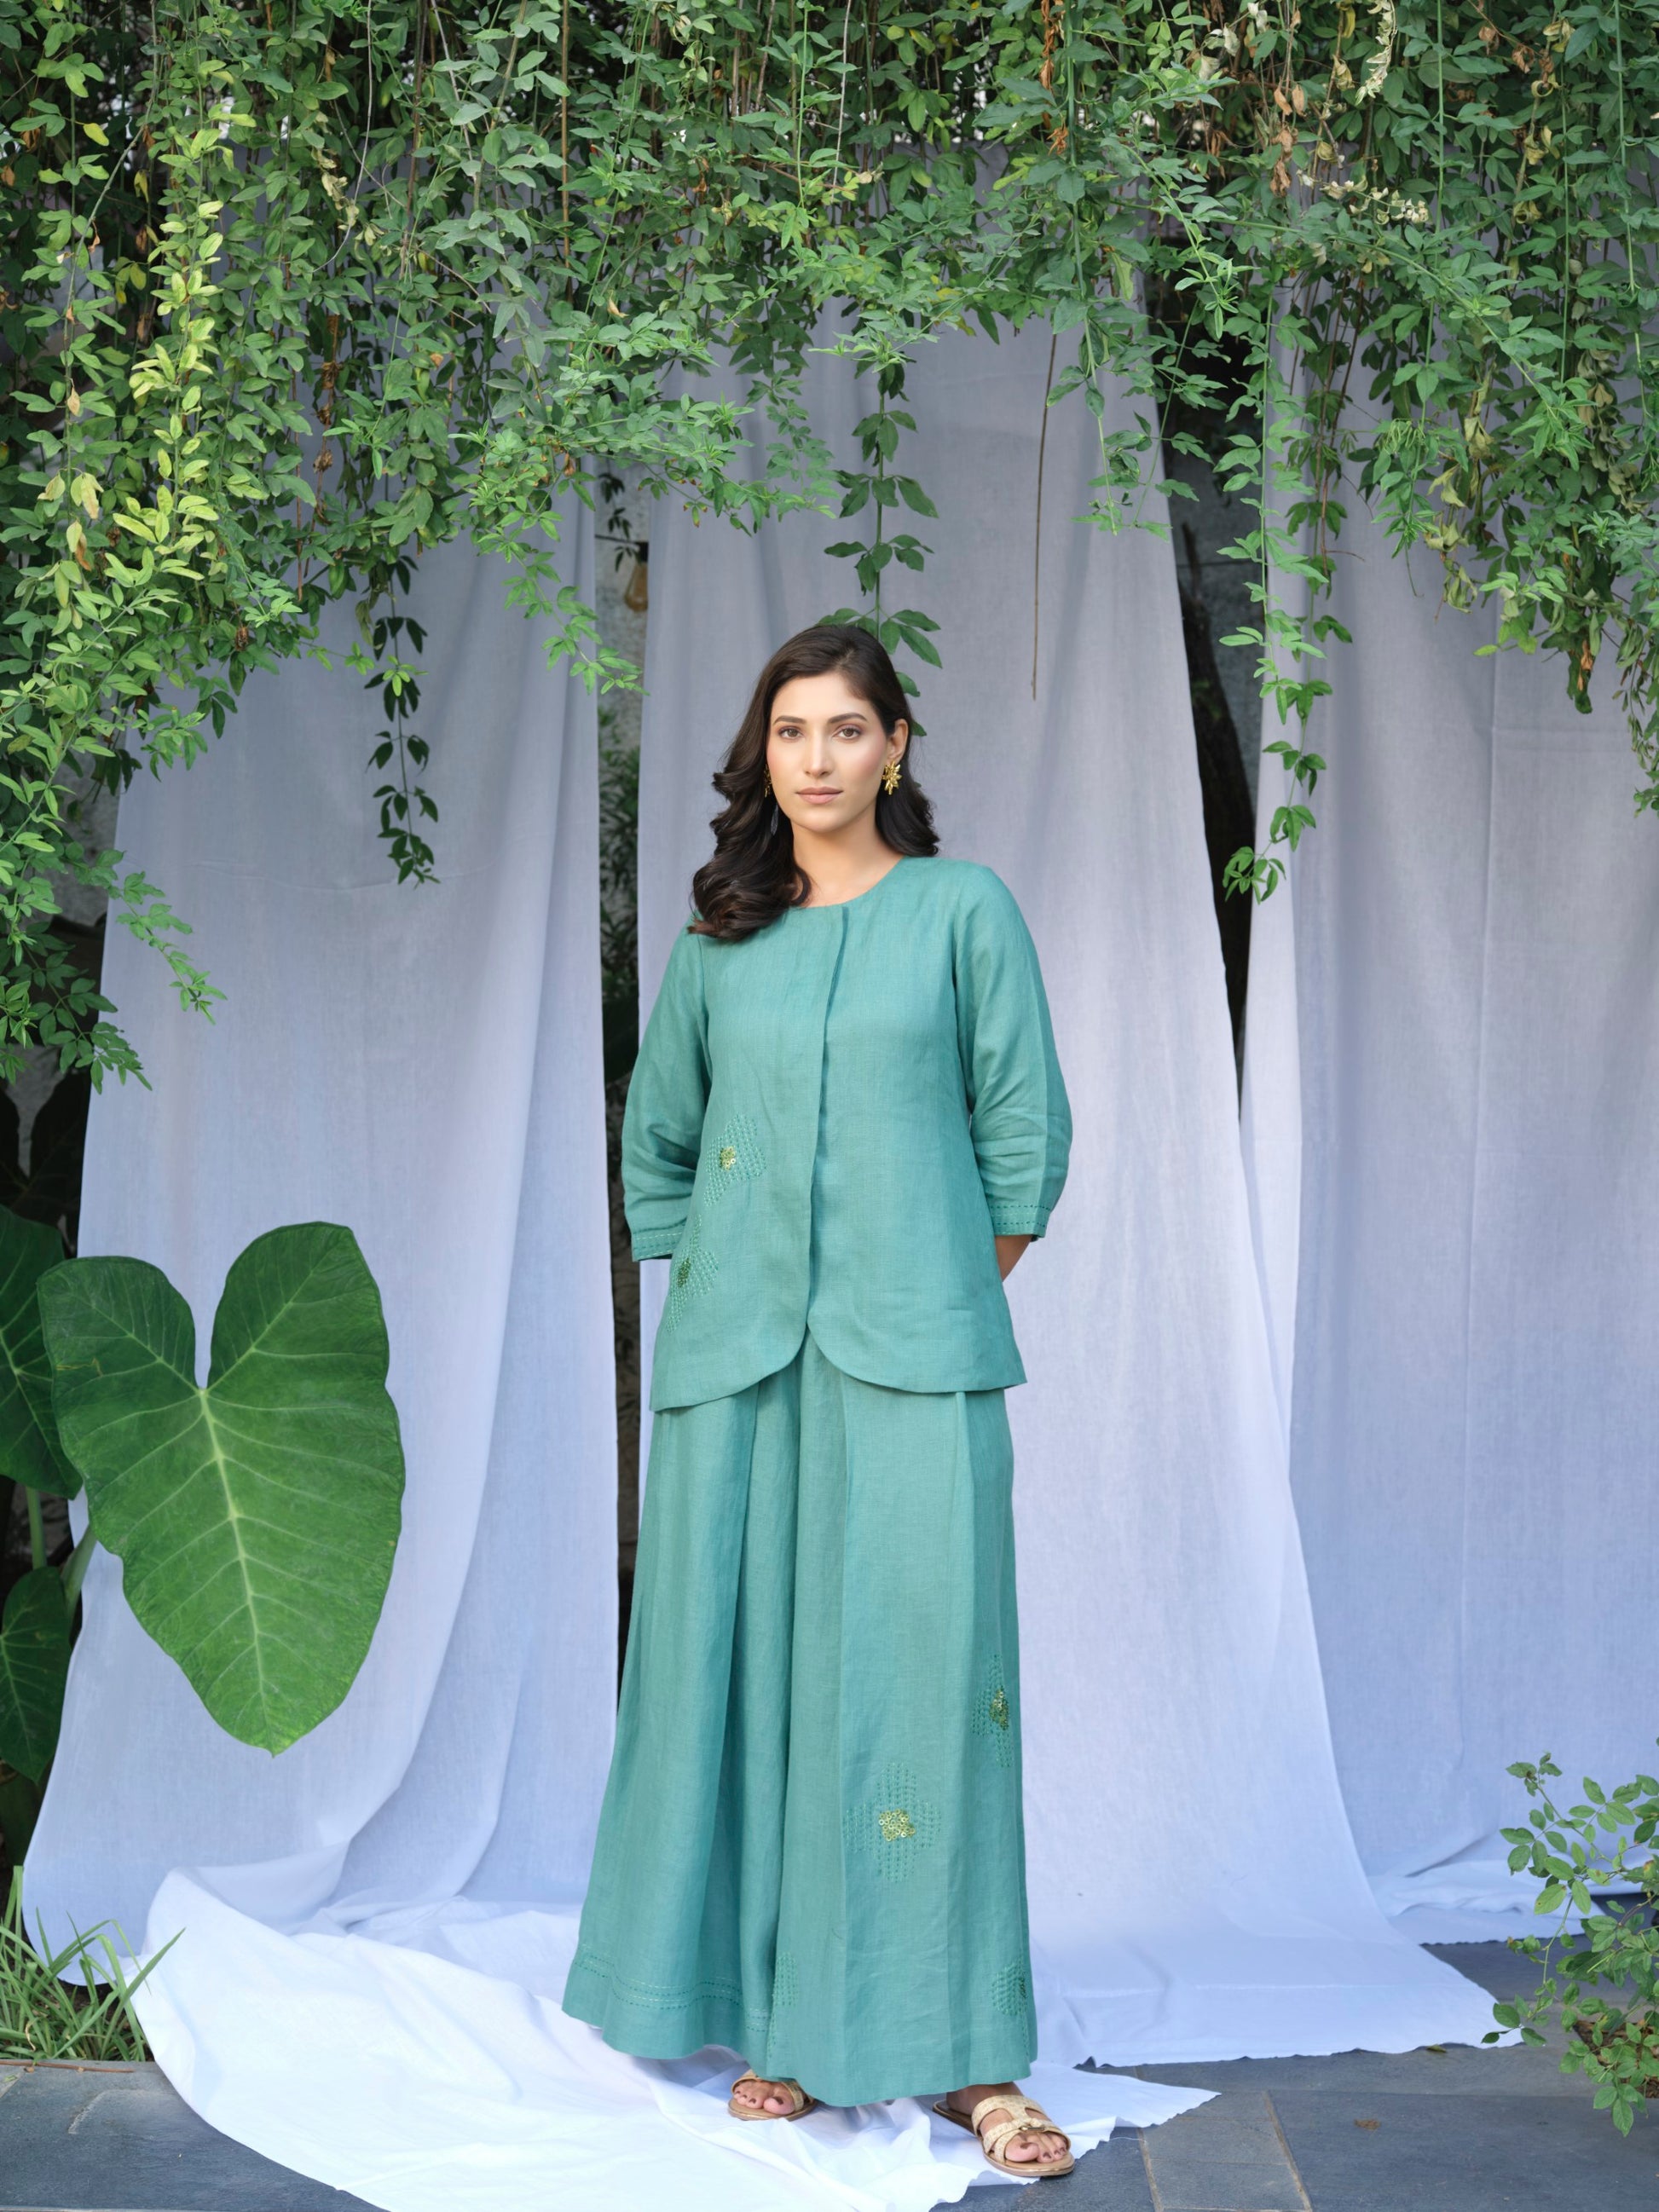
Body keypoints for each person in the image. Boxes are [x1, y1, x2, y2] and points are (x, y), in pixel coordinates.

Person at [561, 622, 1074, 2178]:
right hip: (738, 1371)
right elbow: (659, 1143)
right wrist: (726, 1277)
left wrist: (936, 1275)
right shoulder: (720, 943)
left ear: (895, 745)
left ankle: (969, 2060)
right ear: (762, 754)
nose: (818, 758)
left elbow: (1024, 1135)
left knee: (928, 1687)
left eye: (847, 729)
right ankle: (779, 2021)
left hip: (915, 1355)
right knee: (751, 1680)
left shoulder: (962, 911)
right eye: (791, 731)